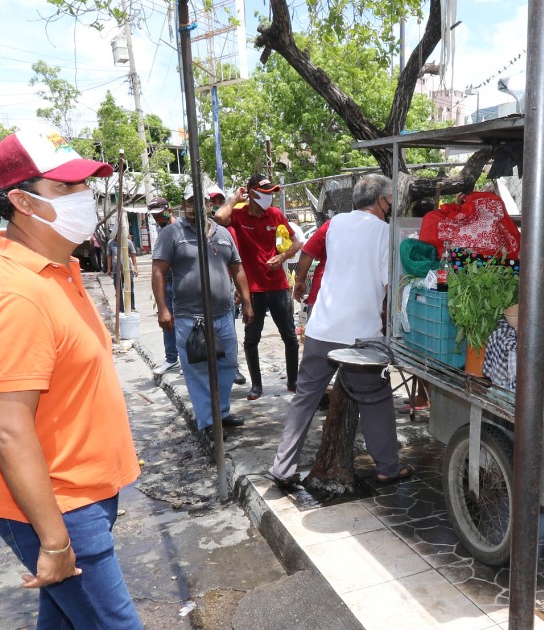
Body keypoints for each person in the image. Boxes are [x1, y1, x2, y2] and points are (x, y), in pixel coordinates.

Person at [0, 128, 233, 630]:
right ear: (24, 202)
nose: (86, 198)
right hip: (58, 504)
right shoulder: (15, 294)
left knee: (65, 621)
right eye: (69, 188)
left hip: (80, 491)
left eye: (86, 184)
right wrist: (54, 539)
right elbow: (8, 425)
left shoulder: (53, 271)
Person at [269, 174, 412, 487]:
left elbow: (308, 252)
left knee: (304, 398)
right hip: (360, 337)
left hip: (322, 328)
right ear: (383, 200)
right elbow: (391, 287)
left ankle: (282, 468)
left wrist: (302, 281)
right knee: (375, 399)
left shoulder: (334, 224)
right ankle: (388, 467)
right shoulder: (387, 233)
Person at [152, 183, 253, 432]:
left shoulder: (222, 233)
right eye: (189, 202)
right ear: (184, 206)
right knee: (198, 371)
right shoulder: (172, 233)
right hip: (190, 317)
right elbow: (158, 271)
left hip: (223, 315)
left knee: (227, 366)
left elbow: (237, 269)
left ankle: (222, 413)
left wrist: (248, 303)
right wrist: (163, 309)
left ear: (210, 205)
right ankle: (209, 422)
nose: (194, 206)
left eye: (201, 201)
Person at [214, 174, 303, 401]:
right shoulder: (239, 215)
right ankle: (256, 385)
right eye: (264, 193)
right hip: (252, 290)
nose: (269, 197)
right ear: (252, 193)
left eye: (271, 193)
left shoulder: (274, 214)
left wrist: (282, 258)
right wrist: (235, 198)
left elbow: (297, 243)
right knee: (251, 338)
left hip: (278, 286)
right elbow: (219, 216)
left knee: (290, 337)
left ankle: (293, 381)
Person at [147, 197, 180, 376]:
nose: (157, 218)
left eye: (160, 214)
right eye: (154, 216)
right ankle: (172, 358)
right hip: (167, 284)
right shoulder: (161, 231)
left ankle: (187, 358)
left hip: (181, 284)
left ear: (169, 210)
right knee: (167, 322)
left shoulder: (180, 228)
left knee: (185, 323)